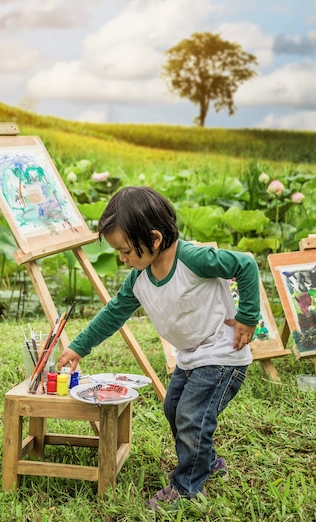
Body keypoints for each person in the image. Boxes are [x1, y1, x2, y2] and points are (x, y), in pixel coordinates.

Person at [57, 186, 260, 508]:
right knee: (173, 410)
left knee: (192, 417)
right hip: (190, 357)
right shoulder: (139, 278)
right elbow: (114, 313)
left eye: (125, 251)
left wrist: (248, 317)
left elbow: (246, 265)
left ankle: (186, 488)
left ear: (153, 238)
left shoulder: (193, 258)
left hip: (222, 354)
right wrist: (79, 347)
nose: (122, 259)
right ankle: (206, 463)